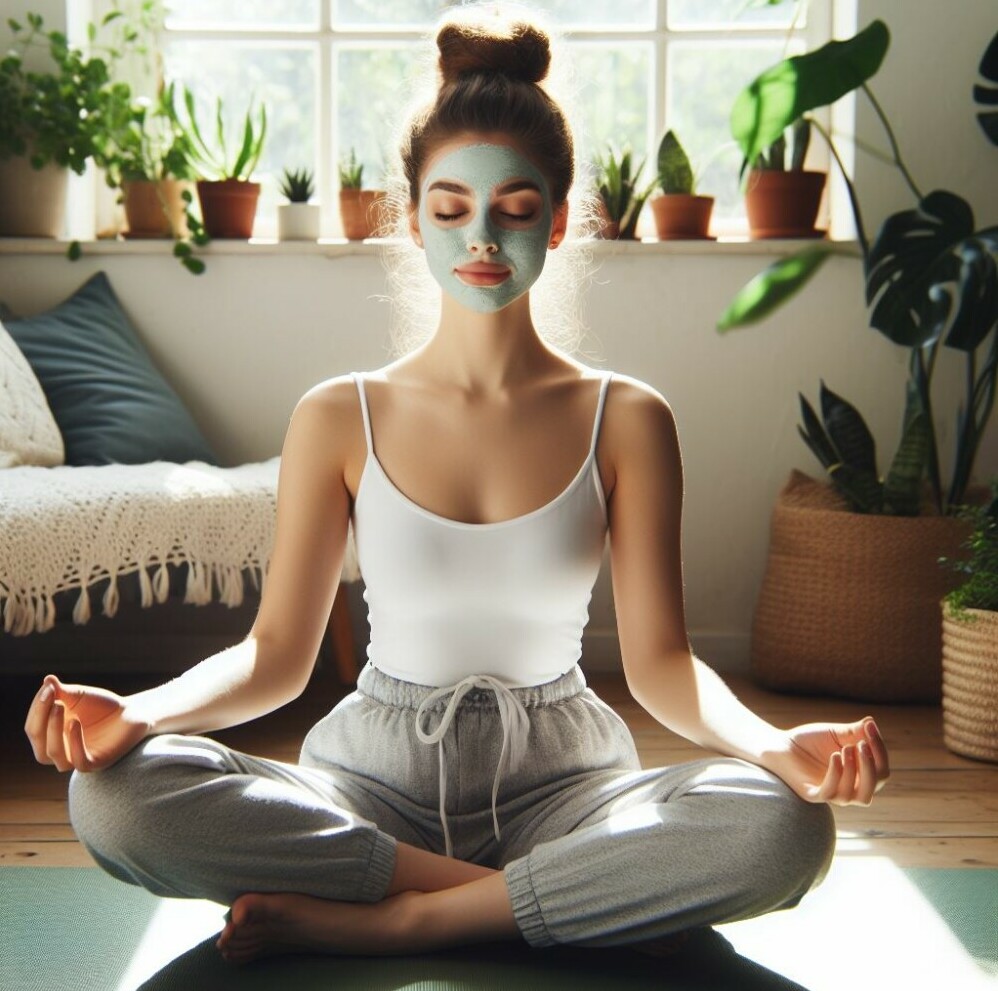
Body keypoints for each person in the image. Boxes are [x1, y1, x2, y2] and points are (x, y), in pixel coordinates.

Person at [24, 10, 889, 967]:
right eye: (450, 209)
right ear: (415, 218)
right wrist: (142, 712)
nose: (482, 236)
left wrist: (775, 748)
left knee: (785, 829)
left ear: (557, 222)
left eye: (516, 209)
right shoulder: (337, 414)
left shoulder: (630, 417)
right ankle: (528, 904)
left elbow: (663, 669)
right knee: (110, 796)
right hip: (371, 791)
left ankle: (409, 916)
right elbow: (273, 658)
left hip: (567, 790)